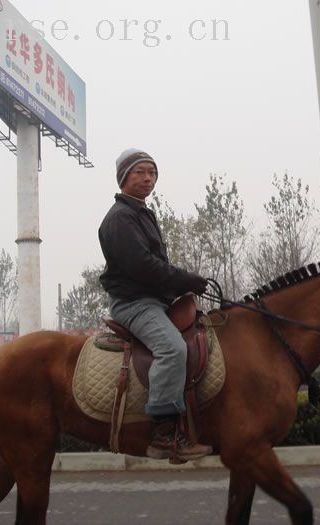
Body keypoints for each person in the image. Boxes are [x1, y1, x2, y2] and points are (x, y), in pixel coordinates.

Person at [98, 148, 213, 461]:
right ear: (124, 177)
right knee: (173, 348)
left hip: (154, 299)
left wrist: (182, 285)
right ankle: (163, 435)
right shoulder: (120, 218)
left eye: (152, 173)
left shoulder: (140, 212)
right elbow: (143, 266)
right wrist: (184, 279)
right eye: (140, 172)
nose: (148, 179)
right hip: (135, 303)